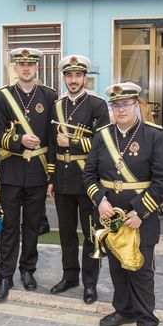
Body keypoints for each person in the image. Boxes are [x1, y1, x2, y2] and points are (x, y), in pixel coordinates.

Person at [83, 82, 163, 326]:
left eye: (126, 104)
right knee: (117, 269)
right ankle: (124, 310)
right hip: (110, 217)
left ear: (136, 106)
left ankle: (146, 323)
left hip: (138, 217)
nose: (121, 109)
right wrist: (99, 201)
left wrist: (141, 212)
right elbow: (89, 175)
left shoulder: (154, 136)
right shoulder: (102, 136)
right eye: (116, 105)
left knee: (141, 271)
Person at [0, 47, 57, 301]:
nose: (26, 68)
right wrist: (18, 139)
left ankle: (28, 269)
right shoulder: (1, 97)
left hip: (38, 172)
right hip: (12, 171)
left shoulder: (49, 96)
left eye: (31, 64)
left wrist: (51, 175)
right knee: (8, 226)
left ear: (36, 67)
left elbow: (52, 136)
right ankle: (4, 274)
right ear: (15, 68)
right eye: (21, 64)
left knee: (32, 225)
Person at [47, 55, 109, 305]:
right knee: (66, 233)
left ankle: (90, 283)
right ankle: (69, 276)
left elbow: (102, 143)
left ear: (85, 77)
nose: (73, 80)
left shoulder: (97, 104)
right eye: (69, 76)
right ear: (64, 78)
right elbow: (52, 144)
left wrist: (71, 142)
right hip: (62, 179)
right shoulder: (57, 105)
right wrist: (51, 177)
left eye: (77, 76)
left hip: (87, 180)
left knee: (92, 233)